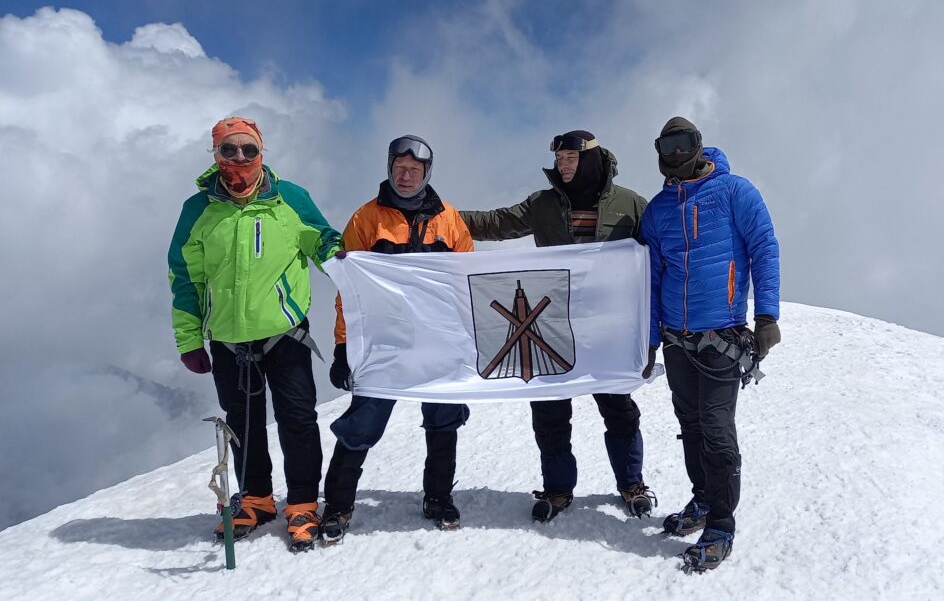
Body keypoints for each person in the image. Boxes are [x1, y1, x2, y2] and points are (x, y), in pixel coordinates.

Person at [459, 130, 655, 522]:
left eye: (571, 159)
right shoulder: (543, 204)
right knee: (549, 412)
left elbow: (655, 261)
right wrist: (442, 217)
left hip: (608, 329)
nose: (563, 166)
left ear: (591, 159)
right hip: (552, 326)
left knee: (619, 411)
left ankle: (631, 484)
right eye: (560, 159)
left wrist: (651, 336)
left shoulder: (631, 205)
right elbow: (497, 223)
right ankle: (558, 489)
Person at [168, 116, 343, 552]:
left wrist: (354, 269)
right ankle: (257, 499)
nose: (240, 159)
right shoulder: (198, 210)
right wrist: (189, 339)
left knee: (297, 420)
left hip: (285, 335)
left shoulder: (290, 198)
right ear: (216, 156)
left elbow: (324, 242)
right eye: (230, 150)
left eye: (249, 150)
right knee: (243, 424)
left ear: (262, 153)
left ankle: (302, 504)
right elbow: (185, 278)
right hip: (227, 339)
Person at [639, 117, 781, 572]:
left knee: (717, 432)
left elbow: (764, 249)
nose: (676, 152)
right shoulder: (658, 210)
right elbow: (652, 277)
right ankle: (702, 502)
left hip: (721, 336)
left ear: (698, 146)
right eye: (667, 145)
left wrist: (767, 316)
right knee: (692, 424)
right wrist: (650, 340)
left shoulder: (735, 191)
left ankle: (720, 524)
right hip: (677, 340)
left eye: (684, 143)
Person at [320, 135, 475, 540]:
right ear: (389, 169)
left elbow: (467, 283)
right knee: (362, 422)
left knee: (444, 418)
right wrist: (343, 346)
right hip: (383, 341)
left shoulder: (449, 220)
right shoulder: (367, 219)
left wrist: (468, 341)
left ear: (426, 173)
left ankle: (438, 497)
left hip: (437, 340)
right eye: (399, 168)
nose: (406, 176)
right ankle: (337, 505)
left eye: (414, 170)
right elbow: (348, 292)